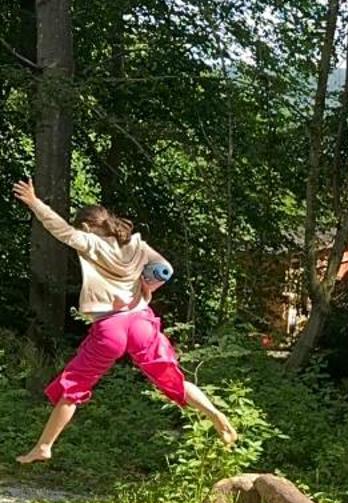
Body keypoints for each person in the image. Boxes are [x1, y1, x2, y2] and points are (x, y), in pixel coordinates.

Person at [12, 179, 236, 462]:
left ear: (87, 227)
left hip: (110, 327)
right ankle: (213, 412)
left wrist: (34, 202)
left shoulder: (90, 242)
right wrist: (147, 287)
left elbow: (60, 230)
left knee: (74, 386)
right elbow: (164, 270)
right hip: (141, 321)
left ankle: (44, 446)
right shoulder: (136, 245)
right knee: (170, 374)